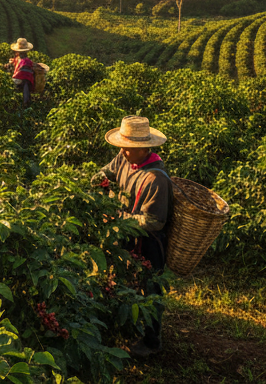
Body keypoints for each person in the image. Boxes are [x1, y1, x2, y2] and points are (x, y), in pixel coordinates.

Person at [91, 115, 171, 360]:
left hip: (149, 242)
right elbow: (108, 171)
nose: (124, 152)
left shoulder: (156, 179)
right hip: (127, 235)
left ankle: (151, 341)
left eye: (129, 148)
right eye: (123, 146)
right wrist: (98, 179)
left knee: (151, 288)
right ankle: (128, 327)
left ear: (145, 148)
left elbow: (153, 221)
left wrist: (119, 216)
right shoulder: (124, 158)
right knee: (125, 281)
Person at [4, 38, 36, 108]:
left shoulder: (23, 60)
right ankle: (25, 102)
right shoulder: (22, 59)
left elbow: (21, 73)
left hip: (18, 80)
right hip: (21, 81)